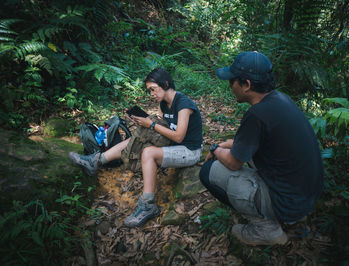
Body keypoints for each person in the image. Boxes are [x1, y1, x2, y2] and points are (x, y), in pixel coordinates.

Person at [199, 51, 323, 246]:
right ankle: (293, 219)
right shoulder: (280, 100)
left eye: (232, 81)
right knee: (243, 158)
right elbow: (258, 141)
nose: (230, 86)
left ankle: (266, 229)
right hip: (305, 198)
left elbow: (232, 162)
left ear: (246, 85)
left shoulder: (257, 115)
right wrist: (226, 144)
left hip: (287, 201)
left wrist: (215, 149)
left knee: (207, 172)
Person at [69, 67, 203, 227]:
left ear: (165, 83)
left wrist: (151, 124)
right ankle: (96, 161)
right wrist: (143, 123)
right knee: (138, 137)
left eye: (153, 89)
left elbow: (179, 135)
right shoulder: (163, 104)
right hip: (173, 145)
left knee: (148, 153)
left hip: (189, 150)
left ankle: (148, 205)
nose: (152, 94)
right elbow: (161, 127)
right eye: (149, 91)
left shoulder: (183, 104)